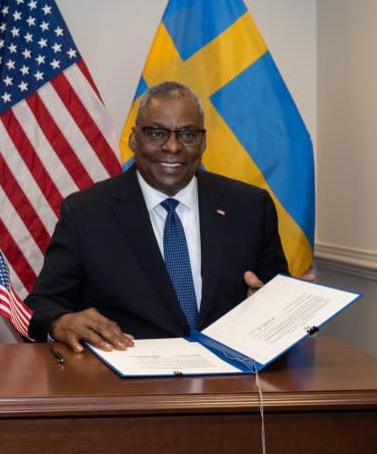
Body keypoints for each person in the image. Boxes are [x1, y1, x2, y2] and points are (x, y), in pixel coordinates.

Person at [25, 81, 289, 352]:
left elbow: (276, 298)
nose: (173, 147)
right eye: (156, 133)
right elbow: (41, 305)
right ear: (133, 139)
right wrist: (62, 321)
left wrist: (274, 304)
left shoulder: (250, 207)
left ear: (203, 142)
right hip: (127, 387)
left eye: (187, 135)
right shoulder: (86, 212)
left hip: (228, 381)